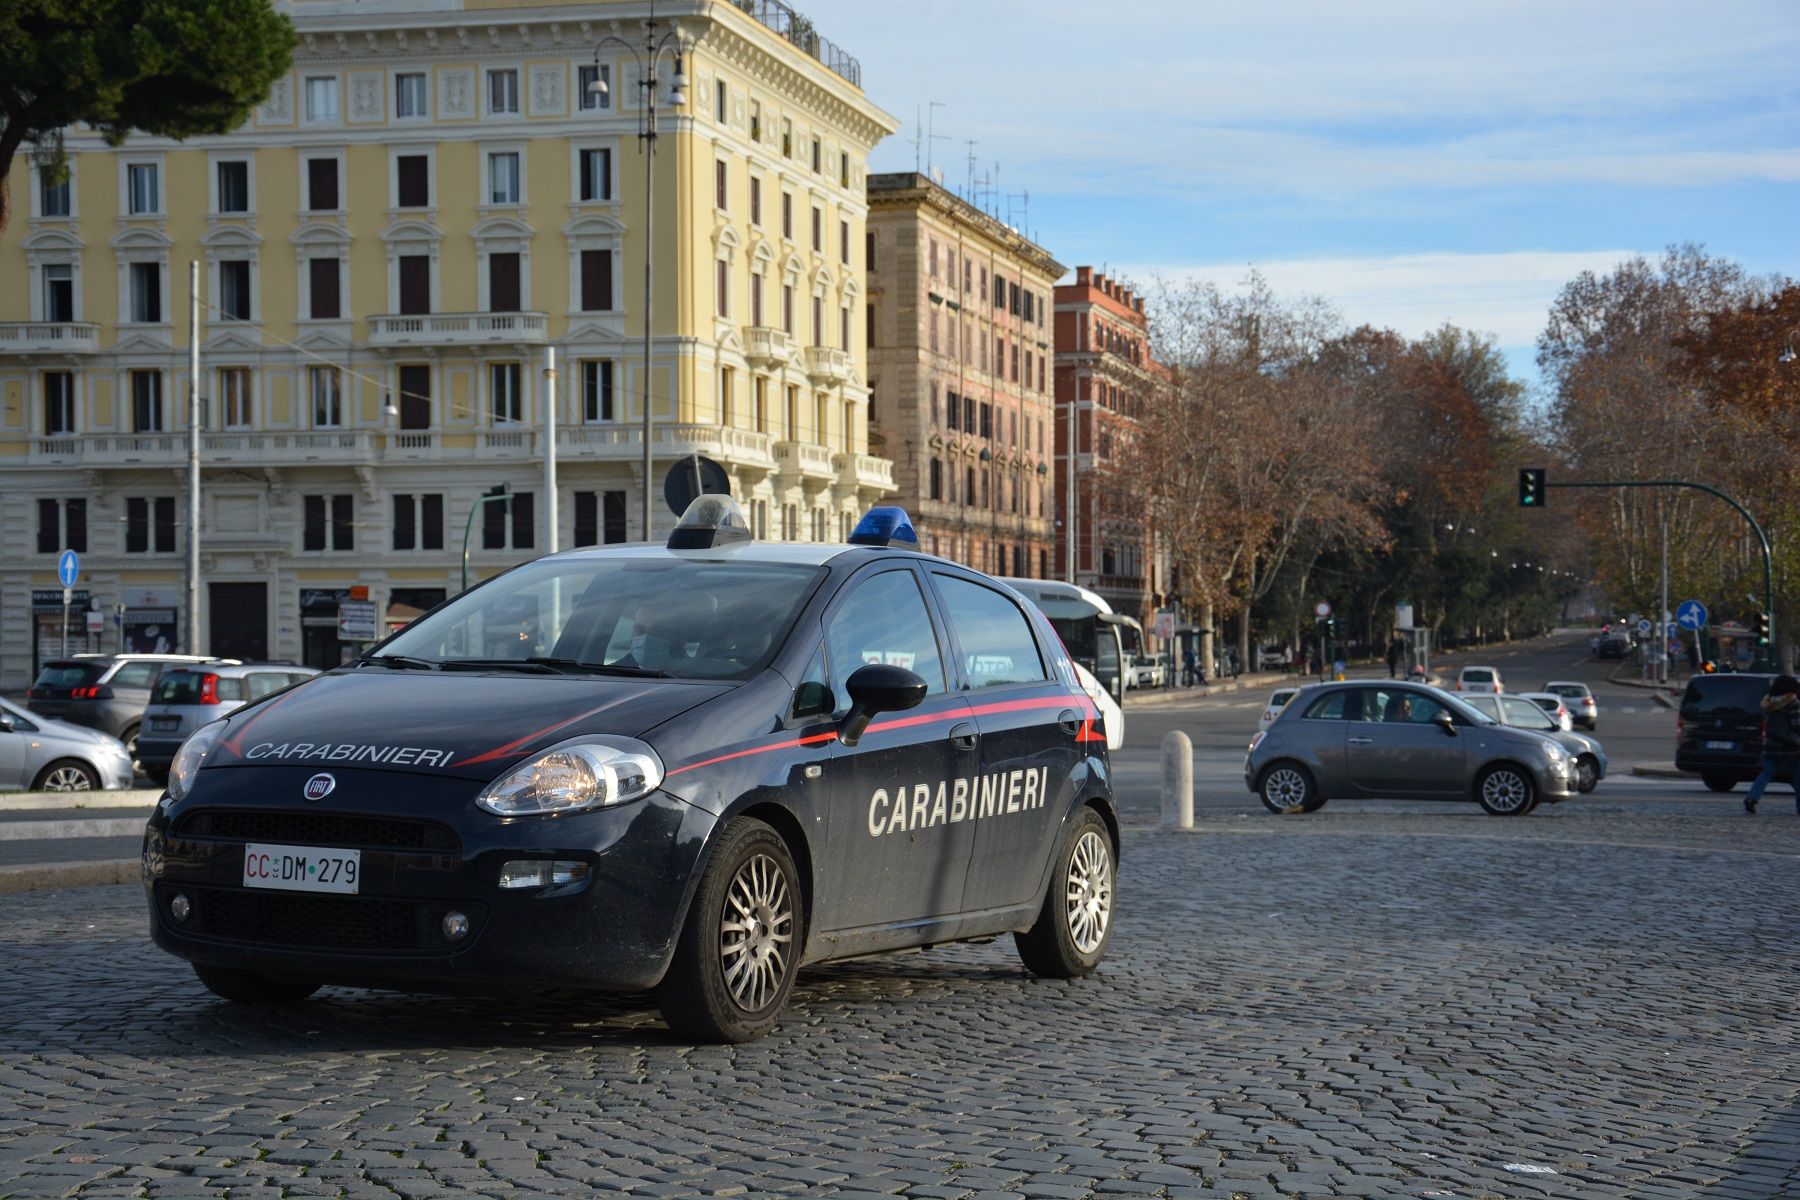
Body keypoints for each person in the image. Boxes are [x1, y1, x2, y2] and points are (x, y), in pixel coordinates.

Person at [1744, 674, 1800, 814]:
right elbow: (1797, 725)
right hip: (1791, 744)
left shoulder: (1769, 703)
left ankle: (1752, 797)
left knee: (1767, 772)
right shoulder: (1793, 703)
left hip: (1771, 743)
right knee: (1798, 773)